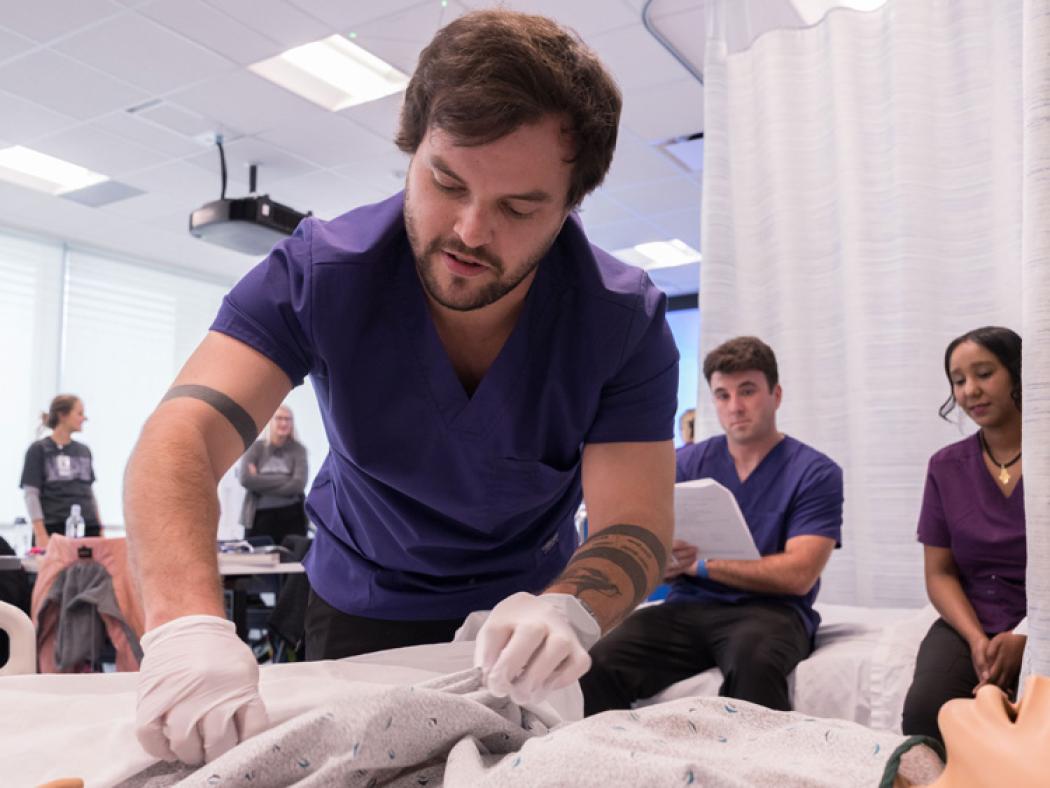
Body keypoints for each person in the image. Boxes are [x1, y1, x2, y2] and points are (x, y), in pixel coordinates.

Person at [125, 9, 678, 766]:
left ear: (571, 205)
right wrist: (184, 624)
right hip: (358, 605)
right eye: (446, 182)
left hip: (524, 623)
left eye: (520, 207)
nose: (471, 232)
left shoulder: (622, 320)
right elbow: (181, 436)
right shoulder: (321, 274)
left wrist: (570, 608)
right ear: (410, 148)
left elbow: (634, 524)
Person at [581, 336, 843, 715]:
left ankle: (751, 773)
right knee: (593, 661)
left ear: (777, 395)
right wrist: (662, 561)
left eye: (747, 391)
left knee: (756, 661)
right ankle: (633, 765)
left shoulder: (815, 473)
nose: (734, 407)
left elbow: (798, 574)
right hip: (687, 608)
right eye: (722, 395)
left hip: (771, 613)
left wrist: (701, 566)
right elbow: (653, 547)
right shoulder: (685, 464)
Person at [901, 326, 1026, 743]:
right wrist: (976, 640)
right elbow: (939, 572)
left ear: (1017, 374)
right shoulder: (945, 466)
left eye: (985, 373)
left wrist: (1025, 635)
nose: (971, 390)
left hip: (1040, 618)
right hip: (971, 618)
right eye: (959, 380)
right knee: (925, 710)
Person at [19, 395, 102, 548]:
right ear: (62, 415)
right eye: (79, 413)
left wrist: (100, 528)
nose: (84, 418)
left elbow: (90, 493)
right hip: (54, 528)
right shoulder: (39, 450)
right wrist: (40, 534)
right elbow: (31, 494)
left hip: (88, 528)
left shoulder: (84, 451)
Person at [238, 405, 308, 546]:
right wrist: (285, 479)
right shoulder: (255, 448)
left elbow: (298, 485)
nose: (284, 423)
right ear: (270, 422)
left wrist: (259, 480)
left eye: (288, 419)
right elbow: (246, 479)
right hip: (259, 518)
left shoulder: (299, 450)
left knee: (291, 565)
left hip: (293, 518)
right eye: (279, 418)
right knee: (258, 564)